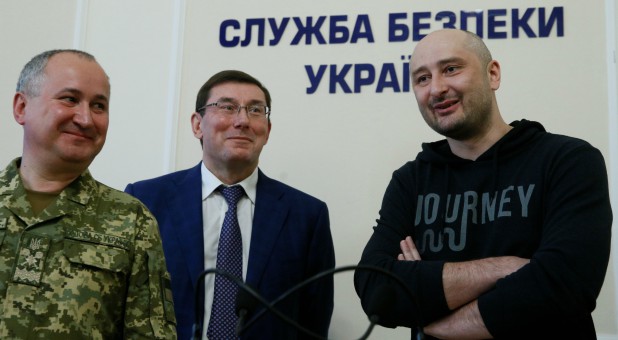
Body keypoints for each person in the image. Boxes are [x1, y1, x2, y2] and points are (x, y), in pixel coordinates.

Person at [354, 29, 613, 339]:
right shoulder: (410, 181)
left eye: (451, 69)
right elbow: (375, 287)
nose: (436, 88)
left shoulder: (567, 161)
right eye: (422, 78)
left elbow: (565, 284)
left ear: (492, 74)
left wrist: (432, 310)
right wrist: (505, 267)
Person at [125, 70, 335, 340]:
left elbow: (313, 323)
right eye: (227, 107)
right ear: (198, 124)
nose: (243, 120)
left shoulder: (306, 216)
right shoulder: (146, 201)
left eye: (256, 110)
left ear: (267, 130)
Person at [0, 50, 177, 339]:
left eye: (98, 106)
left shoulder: (132, 221)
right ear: (21, 107)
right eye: (69, 99)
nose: (85, 119)